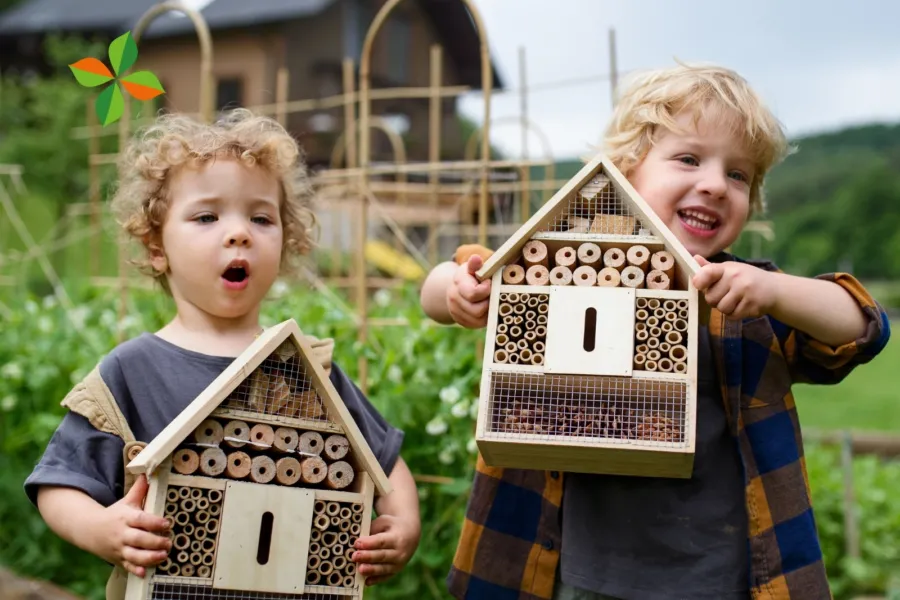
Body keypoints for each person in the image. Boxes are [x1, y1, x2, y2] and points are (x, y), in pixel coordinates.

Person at [419, 63, 891, 599]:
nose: (715, 184)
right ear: (626, 170)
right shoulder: (566, 263)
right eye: (689, 159)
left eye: (738, 175)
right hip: (572, 571)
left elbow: (864, 325)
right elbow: (447, 280)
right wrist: (458, 292)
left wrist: (777, 292)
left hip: (718, 580)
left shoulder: (742, 296)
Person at [24, 109, 421, 597]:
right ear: (156, 246)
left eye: (260, 217)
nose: (239, 233)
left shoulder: (303, 368)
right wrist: (102, 529)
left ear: (286, 240)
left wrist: (402, 525)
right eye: (207, 216)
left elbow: (386, 463)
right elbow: (59, 483)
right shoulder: (132, 370)